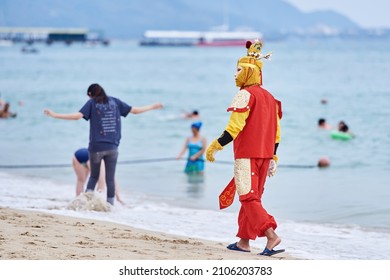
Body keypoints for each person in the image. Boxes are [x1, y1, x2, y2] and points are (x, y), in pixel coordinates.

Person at [205, 40, 284, 256]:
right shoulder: (272, 99)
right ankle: (243, 242)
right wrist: (274, 158)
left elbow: (234, 128)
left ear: (249, 72)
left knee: (248, 198)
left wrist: (215, 146)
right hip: (266, 156)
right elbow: (276, 133)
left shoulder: (245, 94)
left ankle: (271, 235)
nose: (235, 74)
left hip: (247, 154)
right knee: (252, 199)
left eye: (239, 70)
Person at [44, 83, 163, 205]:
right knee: (110, 179)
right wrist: (153, 106)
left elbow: (77, 116)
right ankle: (110, 207)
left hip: (96, 148)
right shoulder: (115, 102)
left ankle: (86, 203)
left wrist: (55, 115)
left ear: (90, 94)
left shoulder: (92, 103)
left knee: (94, 177)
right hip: (113, 147)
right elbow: (136, 111)